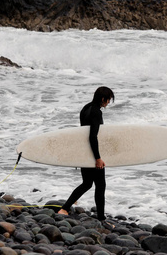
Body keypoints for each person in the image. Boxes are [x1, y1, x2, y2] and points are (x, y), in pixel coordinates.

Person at [58, 86, 115, 227]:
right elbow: (92, 136)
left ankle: (64, 209)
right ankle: (102, 219)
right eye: (108, 100)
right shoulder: (96, 112)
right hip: (92, 153)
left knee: (87, 183)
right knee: (100, 185)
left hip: (84, 151)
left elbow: (82, 133)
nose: (108, 103)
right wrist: (98, 158)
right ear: (103, 99)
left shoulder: (86, 108)